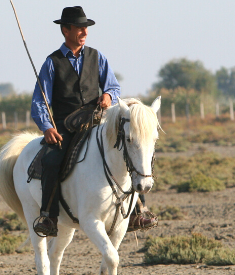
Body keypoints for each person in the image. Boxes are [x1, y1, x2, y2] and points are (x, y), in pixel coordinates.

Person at [31, 6, 157, 237]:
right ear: (65, 30)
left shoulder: (97, 57)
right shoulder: (52, 63)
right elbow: (40, 101)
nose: (84, 32)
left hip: (98, 120)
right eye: (79, 28)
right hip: (65, 127)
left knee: (128, 149)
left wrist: (108, 95)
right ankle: (48, 217)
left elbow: (113, 86)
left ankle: (139, 209)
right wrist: (47, 128)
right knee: (51, 161)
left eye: (85, 28)